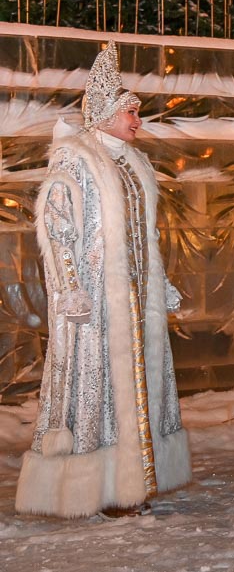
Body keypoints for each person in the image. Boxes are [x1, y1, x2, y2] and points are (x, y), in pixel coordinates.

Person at [16, 42, 191, 518]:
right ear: (106, 114)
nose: (138, 120)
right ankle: (101, 488)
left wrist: (159, 279)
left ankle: (132, 483)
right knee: (99, 391)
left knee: (137, 386)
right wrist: (70, 286)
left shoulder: (134, 164)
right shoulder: (78, 161)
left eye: (137, 111)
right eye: (130, 111)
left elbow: (143, 234)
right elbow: (57, 226)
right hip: (95, 303)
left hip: (136, 300)